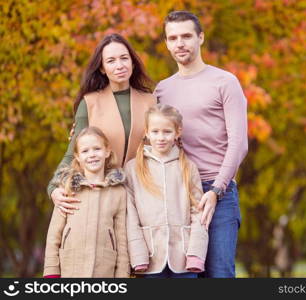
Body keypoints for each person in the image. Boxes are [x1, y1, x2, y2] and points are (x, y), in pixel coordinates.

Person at [154, 11, 248, 278]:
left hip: (217, 193)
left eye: (186, 36)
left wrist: (216, 190)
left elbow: (239, 144)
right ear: (166, 43)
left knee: (219, 274)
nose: (179, 43)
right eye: (173, 38)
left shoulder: (225, 82)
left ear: (201, 38)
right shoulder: (161, 90)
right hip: (176, 194)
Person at [47, 33, 156, 215]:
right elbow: (73, 152)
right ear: (103, 68)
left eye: (124, 58)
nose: (119, 65)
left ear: (133, 62)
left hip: (143, 196)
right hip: (101, 196)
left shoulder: (151, 102)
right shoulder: (89, 103)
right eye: (111, 61)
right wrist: (53, 188)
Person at [124, 104, 208, 278]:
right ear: (146, 132)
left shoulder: (188, 167)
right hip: (150, 258)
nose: (160, 137)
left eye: (167, 132)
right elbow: (130, 216)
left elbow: (198, 213)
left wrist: (195, 254)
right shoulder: (133, 168)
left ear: (177, 132)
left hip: (183, 259)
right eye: (155, 132)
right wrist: (138, 254)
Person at [43, 127, 130, 278]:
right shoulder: (68, 188)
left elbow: (122, 239)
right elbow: (54, 234)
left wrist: (122, 274)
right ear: (77, 156)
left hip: (104, 270)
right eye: (85, 151)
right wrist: (51, 271)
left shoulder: (118, 192)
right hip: (70, 268)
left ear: (107, 151)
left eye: (97, 149)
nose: (92, 155)